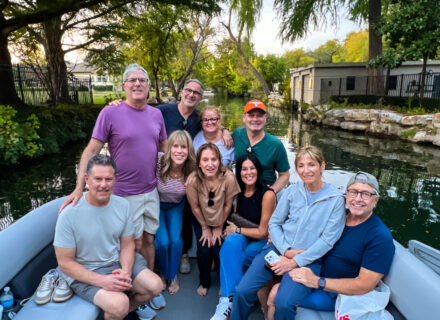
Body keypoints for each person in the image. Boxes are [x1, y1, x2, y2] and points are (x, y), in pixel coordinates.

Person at [59, 63, 167, 316]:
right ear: (124, 86)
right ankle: (126, 292)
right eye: (132, 80)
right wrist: (78, 187)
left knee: (149, 239)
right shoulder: (110, 113)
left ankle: (147, 292)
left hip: (150, 191)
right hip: (122, 194)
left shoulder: (157, 115)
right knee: (133, 242)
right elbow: (92, 151)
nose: (138, 84)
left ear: (149, 86)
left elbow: (163, 146)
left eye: (142, 80)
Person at [230, 145, 346, 320]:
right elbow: (275, 223)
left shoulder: (335, 200)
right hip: (277, 250)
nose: (306, 170)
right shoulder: (292, 191)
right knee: (242, 291)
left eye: (311, 165)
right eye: (301, 165)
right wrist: (285, 251)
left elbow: (327, 241)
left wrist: (295, 261)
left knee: (284, 303)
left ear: (322, 166)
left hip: (307, 261)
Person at [264, 171, 395, 319]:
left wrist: (317, 282)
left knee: (277, 295)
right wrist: (278, 237)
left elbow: (364, 285)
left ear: (375, 200)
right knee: (264, 274)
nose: (358, 199)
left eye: (366, 194)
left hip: (335, 292)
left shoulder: (379, 236)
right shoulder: (337, 215)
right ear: (346, 195)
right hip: (311, 268)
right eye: (353, 192)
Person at [54, 155, 163, 320]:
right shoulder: (69, 215)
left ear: (115, 179)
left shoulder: (123, 206)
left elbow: (127, 245)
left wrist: (125, 272)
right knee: (119, 305)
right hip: (86, 271)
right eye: (98, 179)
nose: (103, 185)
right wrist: (103, 281)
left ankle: (131, 309)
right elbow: (65, 263)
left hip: (116, 263)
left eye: (108, 179)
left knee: (155, 286)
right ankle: (120, 312)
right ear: (87, 179)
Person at [158, 79, 233, 275]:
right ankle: (182, 253)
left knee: (188, 206)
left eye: (196, 93)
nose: (191, 95)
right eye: (188, 91)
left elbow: (213, 123)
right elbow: (140, 113)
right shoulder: (163, 110)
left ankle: (208, 254)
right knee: (174, 224)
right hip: (169, 173)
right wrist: (118, 105)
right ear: (182, 92)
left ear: (200, 97)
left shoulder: (199, 117)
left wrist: (225, 130)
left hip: (195, 177)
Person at [210, 153, 276, 320]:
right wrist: (232, 231)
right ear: (239, 172)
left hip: (263, 240)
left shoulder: (267, 195)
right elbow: (237, 219)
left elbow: (263, 232)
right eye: (244, 169)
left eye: (252, 168)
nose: (248, 172)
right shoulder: (239, 192)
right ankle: (229, 299)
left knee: (243, 254)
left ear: (258, 170)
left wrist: (236, 230)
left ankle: (231, 296)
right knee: (230, 243)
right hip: (247, 234)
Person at [185, 143, 241, 297]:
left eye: (214, 159)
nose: (210, 164)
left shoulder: (228, 177)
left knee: (219, 248)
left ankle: (224, 282)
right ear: (199, 163)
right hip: (201, 217)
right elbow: (195, 207)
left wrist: (218, 226)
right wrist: (205, 227)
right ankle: (204, 281)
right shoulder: (193, 180)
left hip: (221, 216)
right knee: (204, 248)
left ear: (219, 160)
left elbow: (228, 205)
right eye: (205, 160)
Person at [155, 130, 196, 295]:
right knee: (163, 243)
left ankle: (173, 276)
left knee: (176, 241)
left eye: (184, 147)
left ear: (189, 150)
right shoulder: (158, 161)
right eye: (175, 146)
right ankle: (164, 274)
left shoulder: (191, 169)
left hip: (176, 205)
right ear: (169, 148)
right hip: (156, 205)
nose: (179, 151)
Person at [232, 99, 290, 194]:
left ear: (265, 118)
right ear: (244, 117)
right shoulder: (237, 134)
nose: (255, 119)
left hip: (265, 190)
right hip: (240, 191)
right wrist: (224, 130)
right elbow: (217, 135)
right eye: (251, 115)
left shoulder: (275, 145)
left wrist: (271, 192)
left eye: (259, 115)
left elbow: (285, 175)